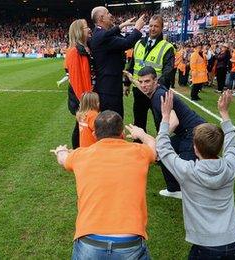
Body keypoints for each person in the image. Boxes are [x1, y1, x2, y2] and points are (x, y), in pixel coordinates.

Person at [52, 110, 156, 260]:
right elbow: (153, 145)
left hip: (89, 241)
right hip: (129, 243)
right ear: (121, 133)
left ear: (94, 136)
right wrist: (141, 134)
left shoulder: (80, 155)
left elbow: (63, 158)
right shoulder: (139, 152)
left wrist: (60, 150)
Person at [157, 90, 235, 259]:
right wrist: (224, 113)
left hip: (206, 248)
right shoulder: (230, 166)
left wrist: (165, 117)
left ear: (195, 148)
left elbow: (163, 149)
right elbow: (232, 144)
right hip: (234, 242)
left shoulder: (187, 171)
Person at [124, 66, 206, 199]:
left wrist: (159, 140)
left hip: (194, 133)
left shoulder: (158, 97)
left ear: (155, 81)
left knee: (185, 171)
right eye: (141, 81)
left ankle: (196, 194)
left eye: (147, 81)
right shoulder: (155, 90)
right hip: (188, 131)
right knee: (161, 152)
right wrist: (132, 79)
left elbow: (173, 122)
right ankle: (174, 189)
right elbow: (143, 88)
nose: (144, 85)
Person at [90, 6, 145, 118]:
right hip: (108, 90)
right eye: (108, 13)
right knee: (112, 123)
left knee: (113, 122)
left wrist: (124, 25)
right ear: (101, 18)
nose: (111, 15)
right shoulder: (102, 36)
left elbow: (118, 37)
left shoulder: (104, 34)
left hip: (109, 87)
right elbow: (127, 43)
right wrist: (137, 28)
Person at [129, 14, 175, 133]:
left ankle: (160, 148)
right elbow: (132, 63)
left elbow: (168, 72)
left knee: (160, 123)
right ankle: (139, 146)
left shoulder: (167, 47)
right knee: (139, 121)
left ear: (161, 28)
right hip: (139, 90)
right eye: (150, 26)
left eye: (156, 26)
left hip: (156, 92)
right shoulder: (139, 43)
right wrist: (126, 83)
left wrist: (156, 88)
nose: (152, 29)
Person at [65, 19, 93, 149]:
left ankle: (79, 152)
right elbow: (76, 81)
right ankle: (77, 152)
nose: (89, 29)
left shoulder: (84, 48)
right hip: (81, 99)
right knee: (81, 126)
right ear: (79, 31)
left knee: (82, 125)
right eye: (86, 27)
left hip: (86, 96)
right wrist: (84, 101)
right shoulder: (74, 52)